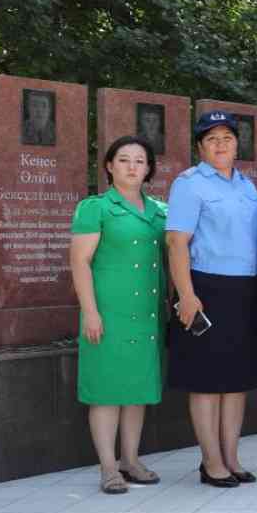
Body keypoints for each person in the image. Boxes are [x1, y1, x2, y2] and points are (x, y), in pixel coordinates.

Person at [166, 111, 257, 488]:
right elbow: (177, 243)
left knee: (236, 380)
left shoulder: (247, 187)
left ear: (237, 144)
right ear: (200, 147)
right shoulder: (189, 184)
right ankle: (210, 461)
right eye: (211, 139)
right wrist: (187, 295)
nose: (220, 144)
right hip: (205, 288)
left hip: (243, 289)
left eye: (227, 137)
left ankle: (231, 457)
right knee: (207, 381)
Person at [69, 135, 167, 494]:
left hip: (145, 314)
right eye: (123, 160)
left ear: (148, 168)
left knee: (136, 389)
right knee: (107, 391)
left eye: (139, 161)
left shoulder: (159, 211)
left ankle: (131, 460)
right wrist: (90, 312)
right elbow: (79, 262)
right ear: (109, 166)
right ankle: (108, 467)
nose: (132, 167)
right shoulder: (94, 208)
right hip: (107, 312)